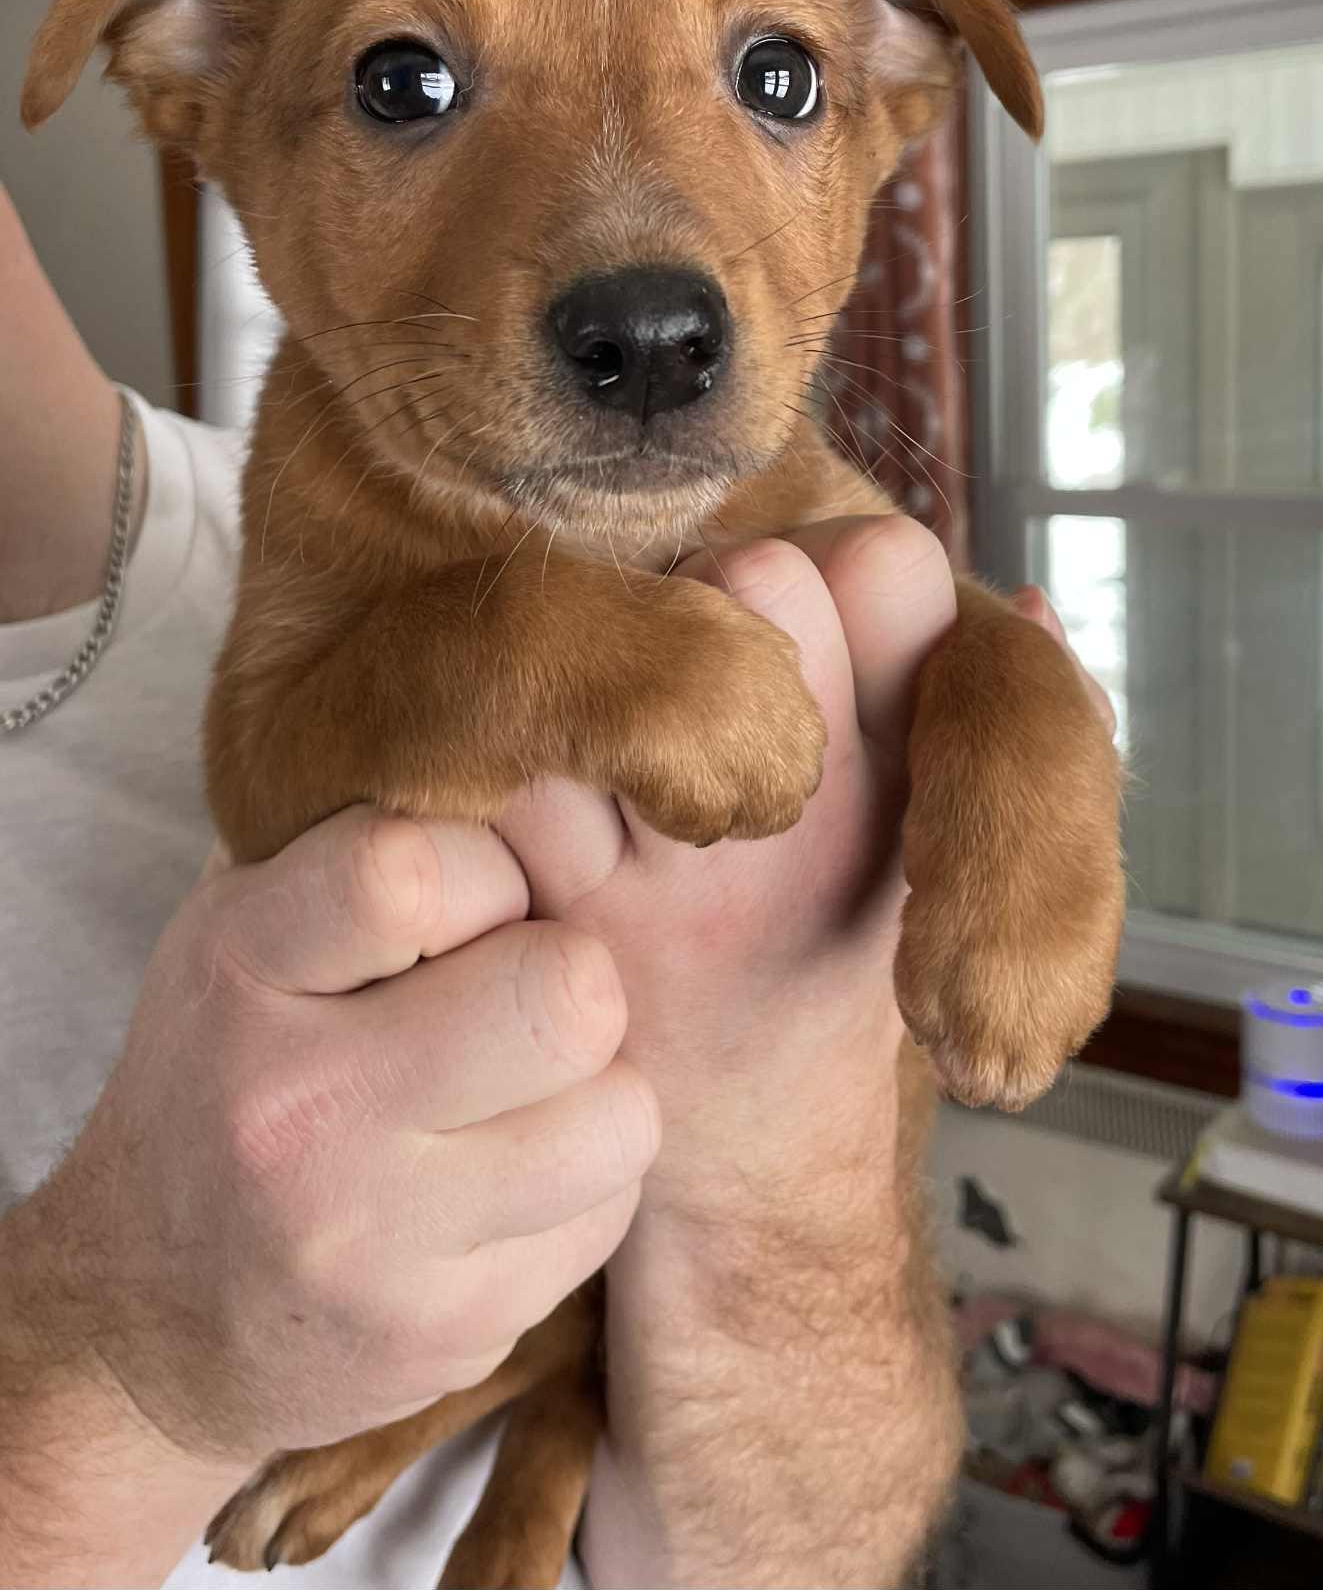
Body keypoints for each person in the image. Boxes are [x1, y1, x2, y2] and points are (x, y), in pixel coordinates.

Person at [0, 178, 1111, 1587]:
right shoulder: (331, 466)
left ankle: (546, 1418)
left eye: (772, 79)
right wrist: (123, 1373)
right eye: (406, 85)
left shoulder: (327, 466)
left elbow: (803, 1547)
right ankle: (533, 1414)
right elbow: (283, 761)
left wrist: (1016, 729)